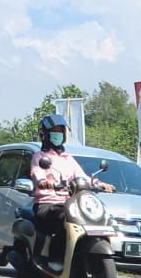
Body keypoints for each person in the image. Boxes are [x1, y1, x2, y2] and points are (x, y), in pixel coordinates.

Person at [28, 113, 111, 266]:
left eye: (61, 131)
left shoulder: (68, 158)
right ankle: (55, 258)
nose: (58, 134)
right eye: (54, 131)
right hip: (47, 204)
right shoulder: (39, 157)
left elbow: (82, 176)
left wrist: (100, 183)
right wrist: (44, 182)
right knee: (63, 219)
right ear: (44, 134)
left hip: (69, 203)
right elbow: (37, 173)